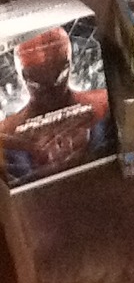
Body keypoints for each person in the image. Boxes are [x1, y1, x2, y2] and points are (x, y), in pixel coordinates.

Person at [0, 27, 109, 185]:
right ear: (23, 76)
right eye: (38, 79)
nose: (49, 88)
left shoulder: (103, 104)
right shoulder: (6, 134)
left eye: (57, 75)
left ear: (69, 66)